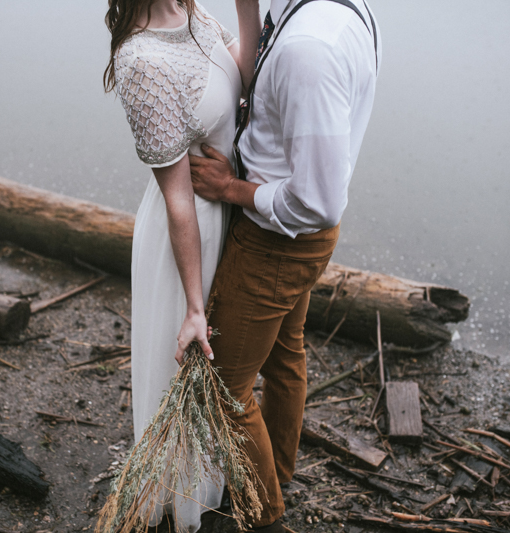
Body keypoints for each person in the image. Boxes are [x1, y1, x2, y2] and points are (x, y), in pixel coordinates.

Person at [189, 0, 380, 530]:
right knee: (283, 354)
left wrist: (231, 187)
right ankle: (280, 470)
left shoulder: (308, 51)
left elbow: (317, 199)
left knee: (222, 386)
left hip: (277, 241)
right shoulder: (334, 9)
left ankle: (264, 516)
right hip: (301, 238)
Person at [104, 0, 260, 530]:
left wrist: (249, 7)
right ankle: (176, 500)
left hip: (222, 210)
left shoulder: (192, 11)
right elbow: (177, 200)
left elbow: (242, 73)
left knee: (224, 366)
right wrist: (194, 305)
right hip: (183, 239)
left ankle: (212, 481)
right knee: (185, 361)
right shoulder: (141, 62)